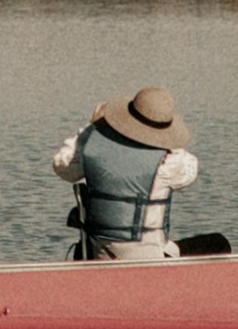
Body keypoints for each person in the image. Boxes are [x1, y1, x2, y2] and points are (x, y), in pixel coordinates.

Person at [53, 84, 206, 259]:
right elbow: (189, 173)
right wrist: (169, 142)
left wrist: (91, 128)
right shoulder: (170, 162)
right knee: (217, 242)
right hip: (152, 257)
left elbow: (63, 167)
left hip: (100, 253)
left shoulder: (94, 147)